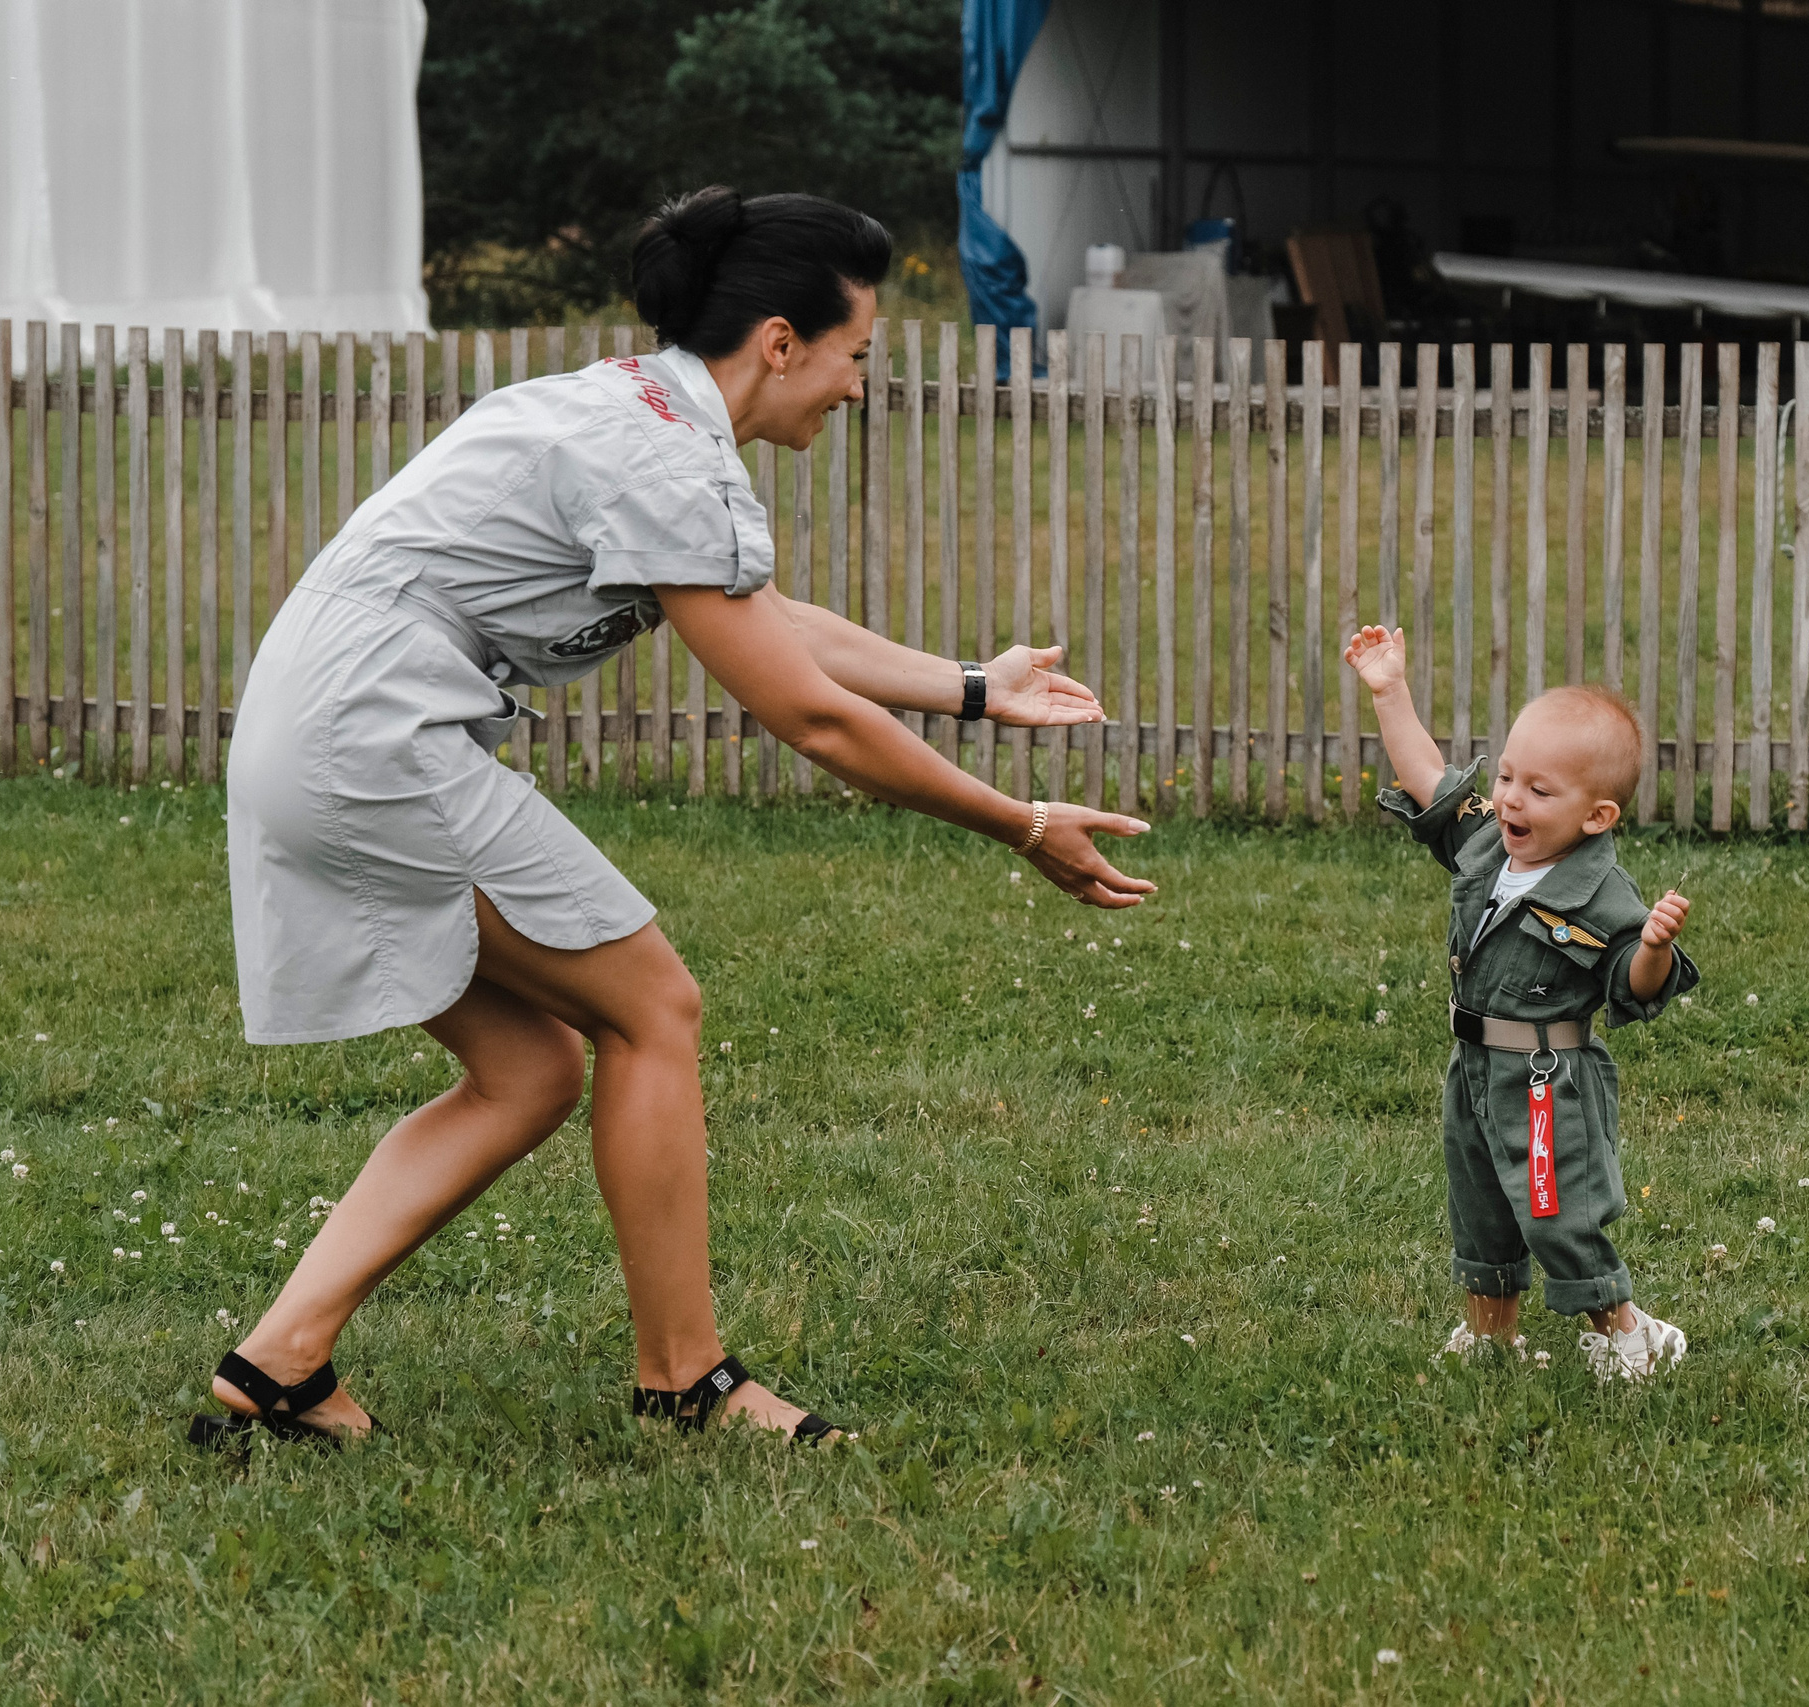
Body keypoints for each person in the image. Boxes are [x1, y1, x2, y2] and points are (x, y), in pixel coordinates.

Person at [197, 186, 1153, 1448]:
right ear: (777, 342)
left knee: (528, 1067)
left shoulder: (636, 412)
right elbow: (808, 718)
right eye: (856, 353)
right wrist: (1021, 825)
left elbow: (764, 621)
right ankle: (684, 1380)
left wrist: (971, 687)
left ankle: (281, 1363)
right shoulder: (658, 451)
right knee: (654, 1010)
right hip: (375, 740)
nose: (857, 386)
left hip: (315, 730)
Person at [1343, 624, 1695, 1381]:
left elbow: (1632, 981)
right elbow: (1428, 783)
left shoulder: (1600, 892)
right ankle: (1490, 1335)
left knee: (1557, 1207)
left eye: (1539, 790)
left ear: (1596, 816)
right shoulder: (1486, 849)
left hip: (1546, 1083)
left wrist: (1657, 947)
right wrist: (1390, 690)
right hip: (1472, 1066)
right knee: (1480, 1206)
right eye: (1506, 776)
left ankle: (1627, 1333)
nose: (1509, 798)